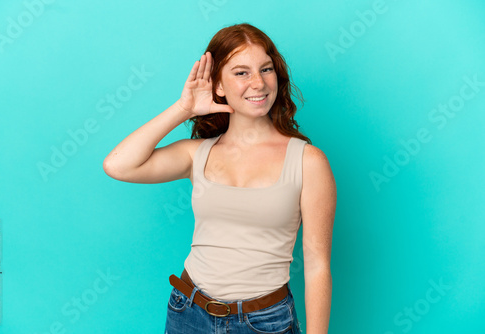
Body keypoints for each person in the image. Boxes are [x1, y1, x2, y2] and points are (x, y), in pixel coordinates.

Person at [103, 23, 336, 334]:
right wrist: (183, 108)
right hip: (188, 313)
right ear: (219, 86)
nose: (258, 83)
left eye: (266, 69)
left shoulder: (308, 161)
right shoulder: (196, 154)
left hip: (264, 322)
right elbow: (118, 165)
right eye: (241, 73)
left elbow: (317, 264)